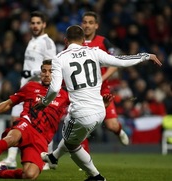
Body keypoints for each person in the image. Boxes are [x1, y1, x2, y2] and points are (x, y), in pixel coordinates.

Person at [34, 25, 161, 181]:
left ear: (66, 40)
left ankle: (96, 176)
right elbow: (120, 61)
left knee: (71, 144)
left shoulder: (60, 58)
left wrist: (44, 102)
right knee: (72, 138)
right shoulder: (94, 51)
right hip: (101, 111)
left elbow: (54, 88)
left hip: (81, 113)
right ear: (83, 40)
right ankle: (53, 157)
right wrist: (145, 56)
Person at [0, 60, 69, 179]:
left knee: (30, 175)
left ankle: (0, 173)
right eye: (44, 71)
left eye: (51, 71)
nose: (46, 74)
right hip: (26, 124)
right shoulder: (31, 86)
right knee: (12, 138)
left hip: (42, 138)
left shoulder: (64, 95)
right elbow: (9, 103)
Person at [0, 11, 56, 170]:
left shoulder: (47, 43)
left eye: (38, 23)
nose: (35, 26)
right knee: (15, 121)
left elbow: (52, 66)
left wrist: (32, 73)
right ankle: (11, 159)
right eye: (32, 23)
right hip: (25, 88)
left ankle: (47, 158)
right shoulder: (32, 41)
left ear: (44, 24)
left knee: (43, 124)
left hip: (38, 89)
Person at [81, 11, 129, 146]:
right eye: (85, 22)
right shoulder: (75, 42)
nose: (87, 25)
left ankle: (119, 131)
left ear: (96, 25)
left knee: (111, 125)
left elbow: (115, 63)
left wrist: (101, 79)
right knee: (81, 126)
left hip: (102, 90)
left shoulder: (103, 42)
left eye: (91, 23)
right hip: (82, 92)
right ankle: (84, 163)